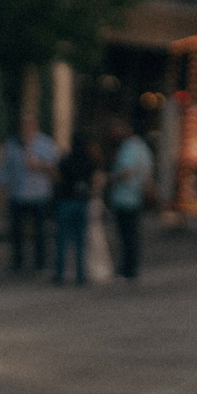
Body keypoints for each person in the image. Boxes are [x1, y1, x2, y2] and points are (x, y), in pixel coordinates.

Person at [0, 111, 58, 274]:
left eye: (29, 125)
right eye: (23, 126)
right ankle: (17, 262)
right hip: (17, 193)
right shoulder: (13, 144)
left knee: (39, 231)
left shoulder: (45, 143)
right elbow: (5, 168)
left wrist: (39, 165)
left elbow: (55, 168)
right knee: (16, 231)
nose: (26, 129)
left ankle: (40, 263)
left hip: (38, 194)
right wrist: (3, 188)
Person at [107, 119, 154, 281]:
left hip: (124, 197)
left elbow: (127, 171)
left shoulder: (127, 147)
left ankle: (126, 269)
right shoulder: (143, 147)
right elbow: (147, 173)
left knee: (125, 236)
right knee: (133, 235)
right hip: (136, 197)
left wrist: (112, 178)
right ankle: (132, 268)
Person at [51, 129, 98, 285]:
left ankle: (60, 273)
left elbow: (57, 177)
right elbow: (94, 180)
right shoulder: (89, 161)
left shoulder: (66, 159)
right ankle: (80, 274)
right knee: (80, 240)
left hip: (66, 200)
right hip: (81, 201)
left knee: (63, 239)